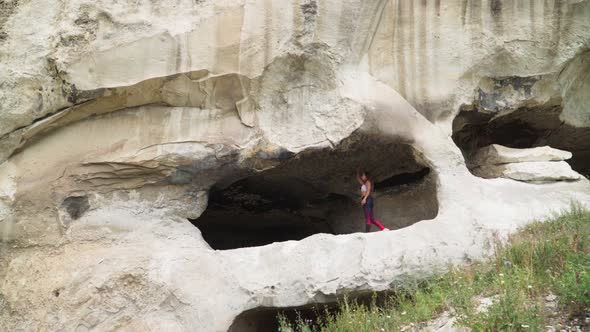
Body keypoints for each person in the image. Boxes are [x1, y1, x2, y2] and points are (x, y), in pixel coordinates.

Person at [356, 168, 388, 232]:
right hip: (367, 200)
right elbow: (358, 179)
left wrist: (364, 199)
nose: (362, 176)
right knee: (372, 219)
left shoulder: (368, 182)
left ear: (366, 176)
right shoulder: (363, 184)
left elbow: (368, 191)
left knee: (368, 218)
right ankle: (383, 229)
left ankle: (367, 233)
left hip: (367, 199)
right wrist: (357, 171)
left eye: (363, 175)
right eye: (362, 175)